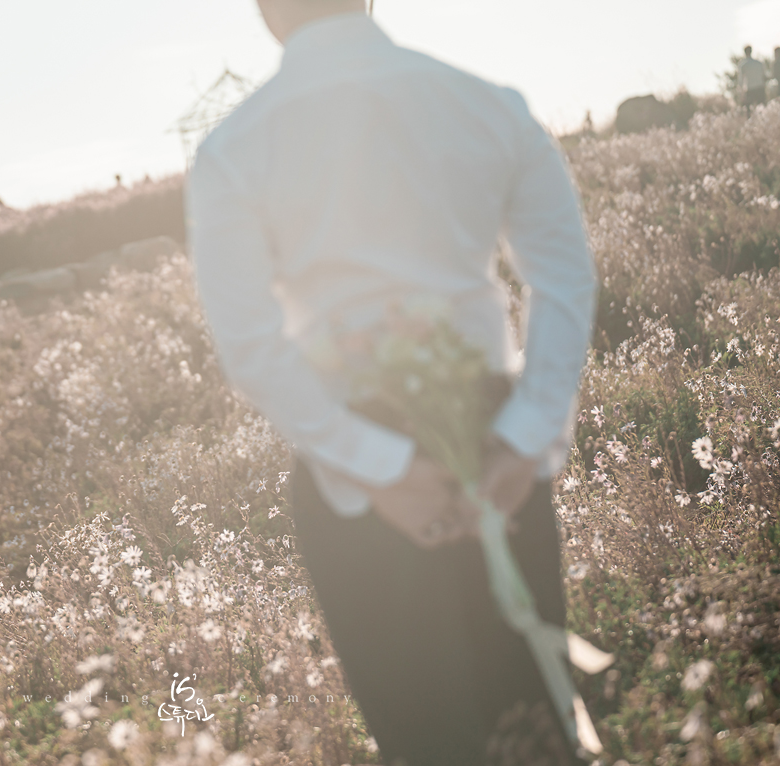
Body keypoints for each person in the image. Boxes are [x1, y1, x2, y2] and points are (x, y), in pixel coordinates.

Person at [186, 1, 596, 763]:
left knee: (430, 741)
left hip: (355, 483)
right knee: (532, 728)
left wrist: (383, 470)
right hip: (495, 450)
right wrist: (522, 438)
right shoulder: (485, 103)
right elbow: (563, 282)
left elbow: (251, 347)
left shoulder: (234, 149)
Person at [739, 45, 766, 112]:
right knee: (762, 109)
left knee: (749, 111)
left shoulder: (743, 65)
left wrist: (741, 93)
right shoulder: (759, 63)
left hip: (750, 89)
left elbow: (741, 80)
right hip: (760, 87)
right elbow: (764, 76)